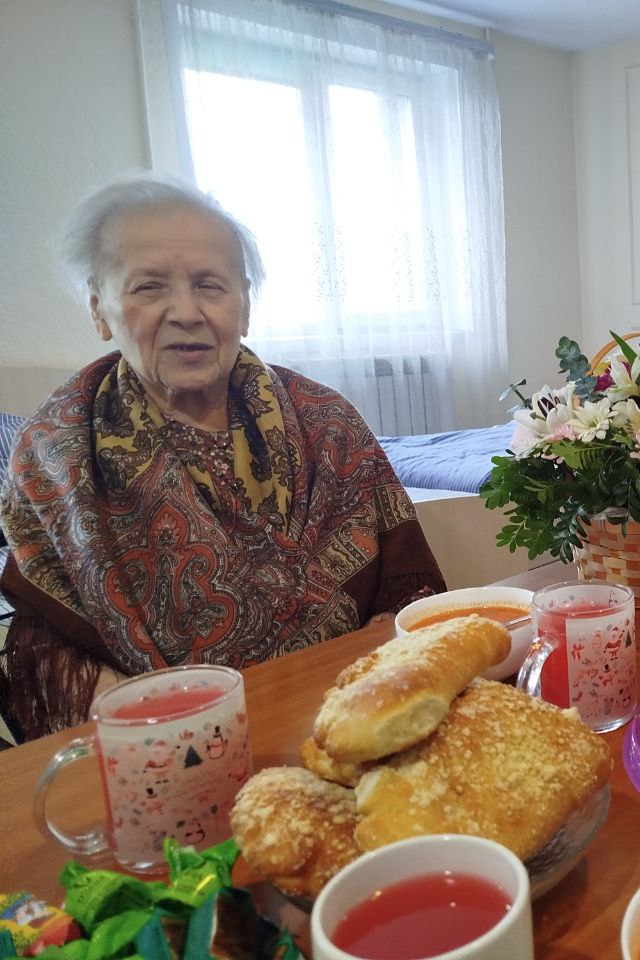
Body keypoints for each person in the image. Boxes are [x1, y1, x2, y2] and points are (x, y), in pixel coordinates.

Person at [0, 176, 446, 740]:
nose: (186, 311)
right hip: (163, 752)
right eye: (149, 287)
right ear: (100, 310)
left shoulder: (325, 421)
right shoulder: (55, 452)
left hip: (351, 722)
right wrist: (175, 737)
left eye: (211, 286)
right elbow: (47, 648)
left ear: (245, 305)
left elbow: (412, 596)